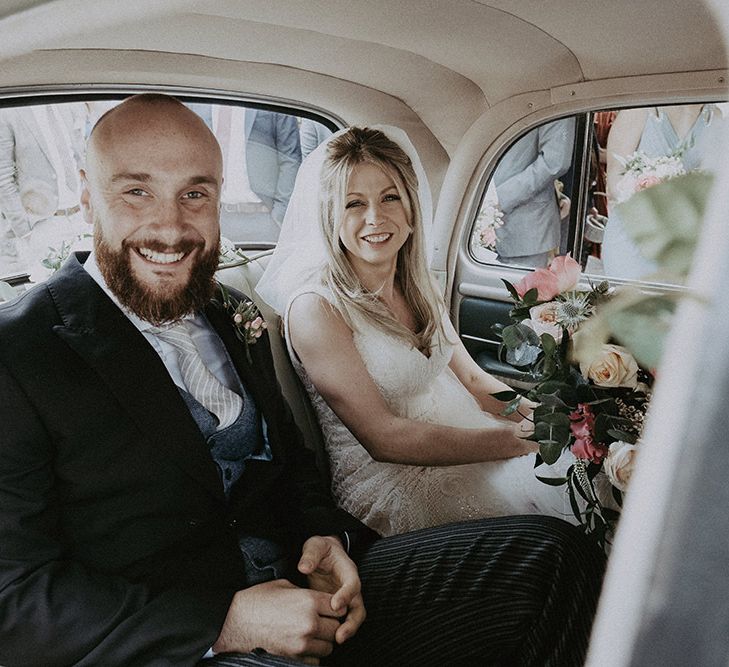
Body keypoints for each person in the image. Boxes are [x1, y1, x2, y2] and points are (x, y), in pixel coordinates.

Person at [0, 95, 604, 666]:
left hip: (313, 591)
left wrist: (324, 538)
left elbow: (291, 465)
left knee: (554, 557)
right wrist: (224, 623)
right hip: (176, 640)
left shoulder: (228, 313)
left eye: (195, 194)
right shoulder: (18, 351)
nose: (170, 227)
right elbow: (14, 598)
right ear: (85, 197)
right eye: (136, 191)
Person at [257, 126, 578, 538]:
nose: (375, 217)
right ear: (331, 216)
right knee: (548, 525)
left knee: (582, 477)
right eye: (354, 203)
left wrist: (544, 420)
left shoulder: (417, 284)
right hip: (390, 484)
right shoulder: (316, 308)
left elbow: (476, 382)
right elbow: (384, 439)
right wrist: (518, 441)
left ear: (410, 209)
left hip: (463, 438)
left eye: (389, 197)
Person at [602, 104, 722, 280]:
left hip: (682, 245)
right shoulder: (639, 109)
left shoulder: (715, 116)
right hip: (633, 237)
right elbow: (614, 179)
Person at [187, 102, 302, 243]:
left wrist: (280, 214)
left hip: (263, 219)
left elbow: (290, 158)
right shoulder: (196, 103)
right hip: (214, 218)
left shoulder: (268, 95)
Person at [0, 101, 88, 277]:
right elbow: (3, 177)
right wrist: (26, 231)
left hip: (82, 218)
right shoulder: (9, 114)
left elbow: (82, 156)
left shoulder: (67, 104)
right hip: (45, 224)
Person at [492, 117, 575, 268]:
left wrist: (498, 199)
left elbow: (554, 162)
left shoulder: (556, 97)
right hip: (470, 221)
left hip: (525, 230)